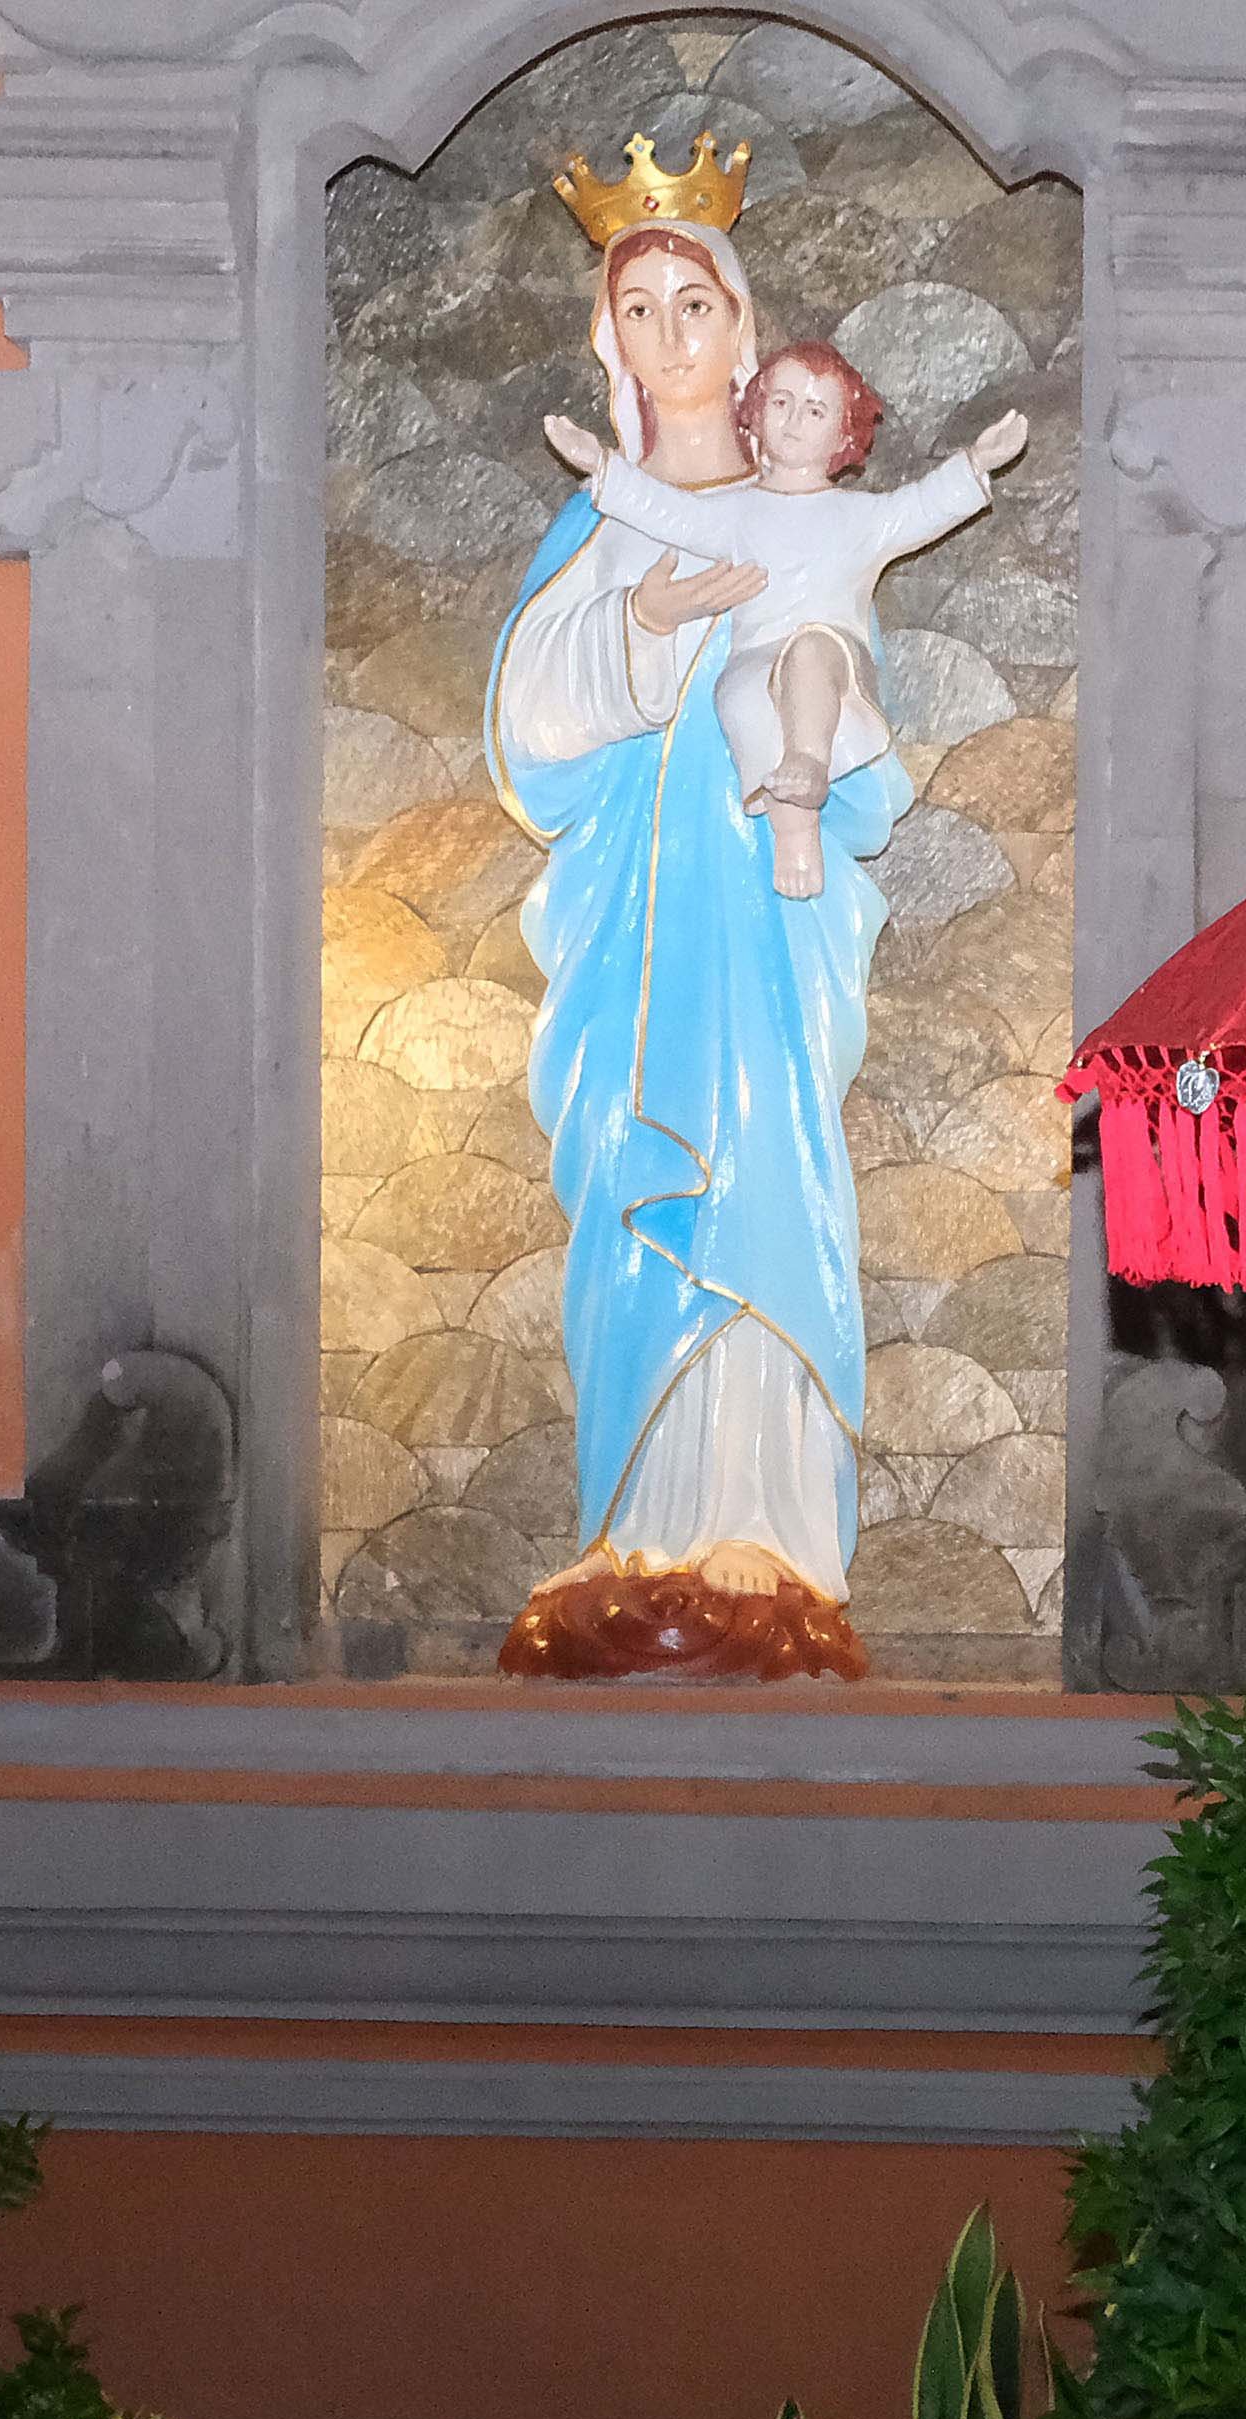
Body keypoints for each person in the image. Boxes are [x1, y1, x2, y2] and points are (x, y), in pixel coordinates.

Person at [488, 189, 892, 1677]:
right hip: (630, 932)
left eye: (696, 304)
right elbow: (533, 728)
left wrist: (800, 730)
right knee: (627, 1176)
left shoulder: (803, 519)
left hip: (762, 922)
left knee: (764, 1160)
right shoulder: (603, 523)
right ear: (611, 336)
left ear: (741, 329)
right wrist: (648, 616)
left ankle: (769, 1541)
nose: (669, 334)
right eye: (639, 308)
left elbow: (858, 721)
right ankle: (637, 1530)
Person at [542, 362, 1025, 900]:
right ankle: (791, 831)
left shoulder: (862, 517)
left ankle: (807, 770)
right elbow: (666, 510)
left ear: (845, 434)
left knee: (809, 652)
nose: (795, 419)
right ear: (756, 410)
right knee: (740, 692)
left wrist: (979, 461)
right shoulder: (736, 513)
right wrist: (601, 465)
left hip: (834, 657)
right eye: (782, 402)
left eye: (815, 410)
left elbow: (923, 506)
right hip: (755, 659)